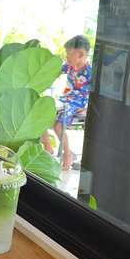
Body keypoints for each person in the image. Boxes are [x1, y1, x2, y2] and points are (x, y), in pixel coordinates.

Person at [41, 34, 92, 171]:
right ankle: (47, 148)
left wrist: (88, 107)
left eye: (69, 54)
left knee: (58, 125)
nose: (66, 56)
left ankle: (67, 154)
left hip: (79, 103)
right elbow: (53, 68)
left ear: (80, 54)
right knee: (41, 114)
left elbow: (97, 92)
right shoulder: (69, 67)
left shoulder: (90, 72)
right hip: (65, 99)